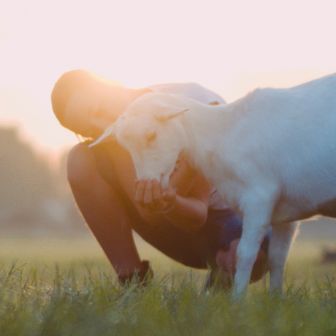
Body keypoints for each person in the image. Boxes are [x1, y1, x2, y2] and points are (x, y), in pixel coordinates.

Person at [51, 69, 269, 289]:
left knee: (257, 252)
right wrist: (163, 199)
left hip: (229, 215)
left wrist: (168, 198)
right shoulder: (116, 138)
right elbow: (151, 215)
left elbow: (197, 214)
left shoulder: (193, 105)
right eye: (90, 130)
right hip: (177, 223)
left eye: (97, 110)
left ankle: (225, 275)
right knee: (80, 159)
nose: (101, 126)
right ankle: (133, 282)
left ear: (108, 87)